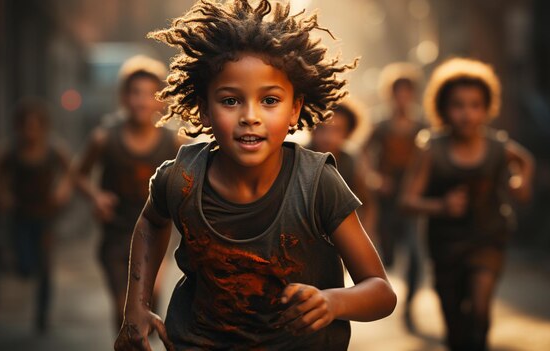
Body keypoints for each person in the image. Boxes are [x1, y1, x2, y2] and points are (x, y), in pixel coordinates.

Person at [114, 1, 396, 350]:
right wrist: (136, 307)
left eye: (270, 100)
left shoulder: (317, 183)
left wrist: (333, 302)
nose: (250, 116)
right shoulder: (181, 179)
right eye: (231, 101)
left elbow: (381, 292)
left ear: (295, 108)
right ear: (203, 107)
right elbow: (151, 222)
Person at [401, 58, 534, 351]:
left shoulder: (497, 146)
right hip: (445, 245)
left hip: (488, 238)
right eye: (458, 105)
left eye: (475, 105)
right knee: (454, 324)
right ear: (444, 108)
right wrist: (441, 206)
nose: (467, 114)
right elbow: (407, 201)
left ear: (487, 108)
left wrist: (521, 183)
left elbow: (524, 160)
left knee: (479, 311)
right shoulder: (431, 149)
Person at [76, 55, 179, 330]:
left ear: (161, 99)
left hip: (156, 235)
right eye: (135, 93)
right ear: (124, 97)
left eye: (149, 94)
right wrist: (95, 196)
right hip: (116, 234)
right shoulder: (104, 138)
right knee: (123, 309)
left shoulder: (174, 141)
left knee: (151, 302)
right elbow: (78, 174)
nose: (142, 100)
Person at [0, 98, 73, 332]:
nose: (31, 131)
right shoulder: (12, 151)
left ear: (42, 126)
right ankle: (25, 267)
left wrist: (62, 190)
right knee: (25, 263)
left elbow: (72, 172)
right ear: (19, 127)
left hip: (46, 216)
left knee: (45, 267)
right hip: (20, 215)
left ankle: (42, 317)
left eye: (35, 126)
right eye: (26, 126)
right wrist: (3, 195)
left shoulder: (53, 149)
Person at [362, 62, 425, 329]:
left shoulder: (422, 126)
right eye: (397, 92)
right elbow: (362, 154)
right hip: (387, 198)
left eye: (407, 92)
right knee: (387, 254)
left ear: (412, 94)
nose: (402, 97)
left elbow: (430, 160)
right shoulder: (381, 126)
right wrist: (375, 180)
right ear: (391, 94)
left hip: (412, 198)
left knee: (415, 255)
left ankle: (409, 303)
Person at [308, 99, 377, 238]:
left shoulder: (351, 161)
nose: (328, 137)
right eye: (322, 128)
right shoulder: (299, 157)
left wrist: (362, 237)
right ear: (312, 129)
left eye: (337, 130)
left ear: (347, 133)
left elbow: (368, 205)